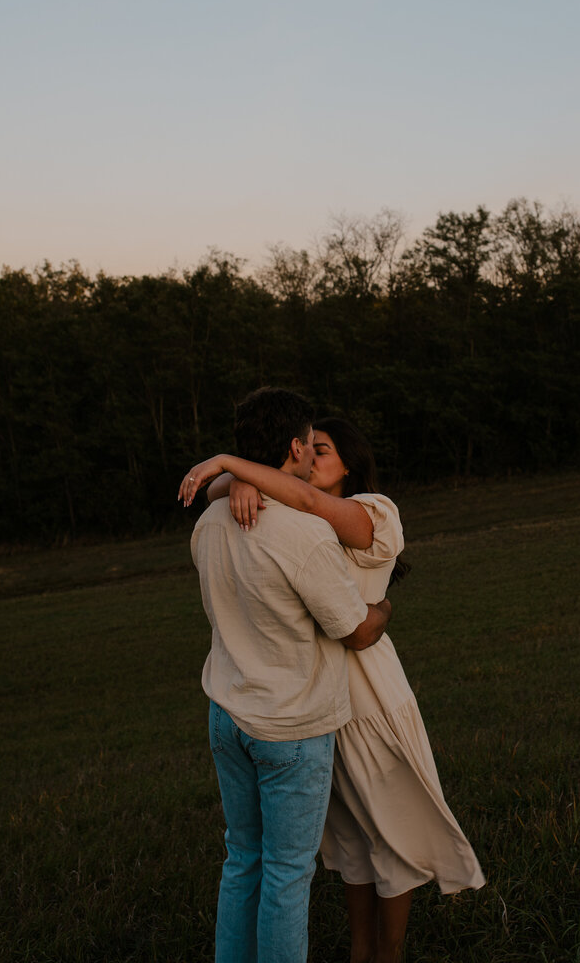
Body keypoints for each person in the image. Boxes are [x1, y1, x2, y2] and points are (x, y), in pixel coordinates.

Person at [180, 415, 485, 963]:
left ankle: (387, 956)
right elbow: (260, 492)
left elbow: (307, 502)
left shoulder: (374, 510)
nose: (311, 457)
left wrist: (235, 467)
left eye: (323, 450)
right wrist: (246, 478)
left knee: (392, 836)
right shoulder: (284, 509)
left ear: (350, 464)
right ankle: (359, 951)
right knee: (349, 845)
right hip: (311, 702)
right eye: (307, 449)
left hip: (366, 693)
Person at [185, 388, 392, 963]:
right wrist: (384, 611)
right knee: (285, 872)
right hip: (290, 728)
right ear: (296, 447)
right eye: (309, 444)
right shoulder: (304, 535)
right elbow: (353, 629)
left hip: (226, 715)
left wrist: (233, 478)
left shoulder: (208, 525)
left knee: (242, 858)